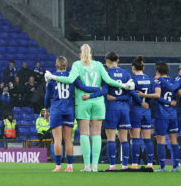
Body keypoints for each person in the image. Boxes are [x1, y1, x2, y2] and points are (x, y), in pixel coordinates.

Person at [45, 43, 134, 172]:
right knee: (96, 134)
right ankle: (95, 166)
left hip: (83, 102)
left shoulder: (77, 65)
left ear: (80, 53)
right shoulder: (98, 65)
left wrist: (52, 77)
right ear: (91, 53)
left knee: (84, 134)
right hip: (98, 103)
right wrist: (124, 86)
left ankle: (87, 166)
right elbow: (109, 81)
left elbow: (69, 80)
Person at [44, 55, 101, 172]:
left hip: (56, 110)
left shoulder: (51, 78)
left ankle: (58, 166)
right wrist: (97, 89)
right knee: (68, 139)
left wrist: (46, 109)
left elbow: (47, 97)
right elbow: (84, 87)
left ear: (56, 65)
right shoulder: (72, 76)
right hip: (69, 110)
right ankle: (70, 166)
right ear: (67, 65)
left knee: (57, 140)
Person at [100, 51, 144, 171]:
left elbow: (105, 92)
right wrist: (141, 102)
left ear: (107, 61)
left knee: (111, 138)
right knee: (124, 139)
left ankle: (112, 166)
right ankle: (124, 165)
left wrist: (113, 98)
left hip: (111, 108)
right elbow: (131, 93)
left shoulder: (106, 74)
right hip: (124, 109)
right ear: (117, 60)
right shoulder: (126, 74)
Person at [151, 61, 181, 172]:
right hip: (173, 115)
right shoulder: (173, 81)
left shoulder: (157, 81)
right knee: (174, 141)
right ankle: (176, 166)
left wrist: (168, 102)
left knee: (161, 140)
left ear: (157, 71)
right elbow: (178, 96)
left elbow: (157, 96)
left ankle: (162, 167)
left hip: (161, 114)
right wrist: (173, 103)